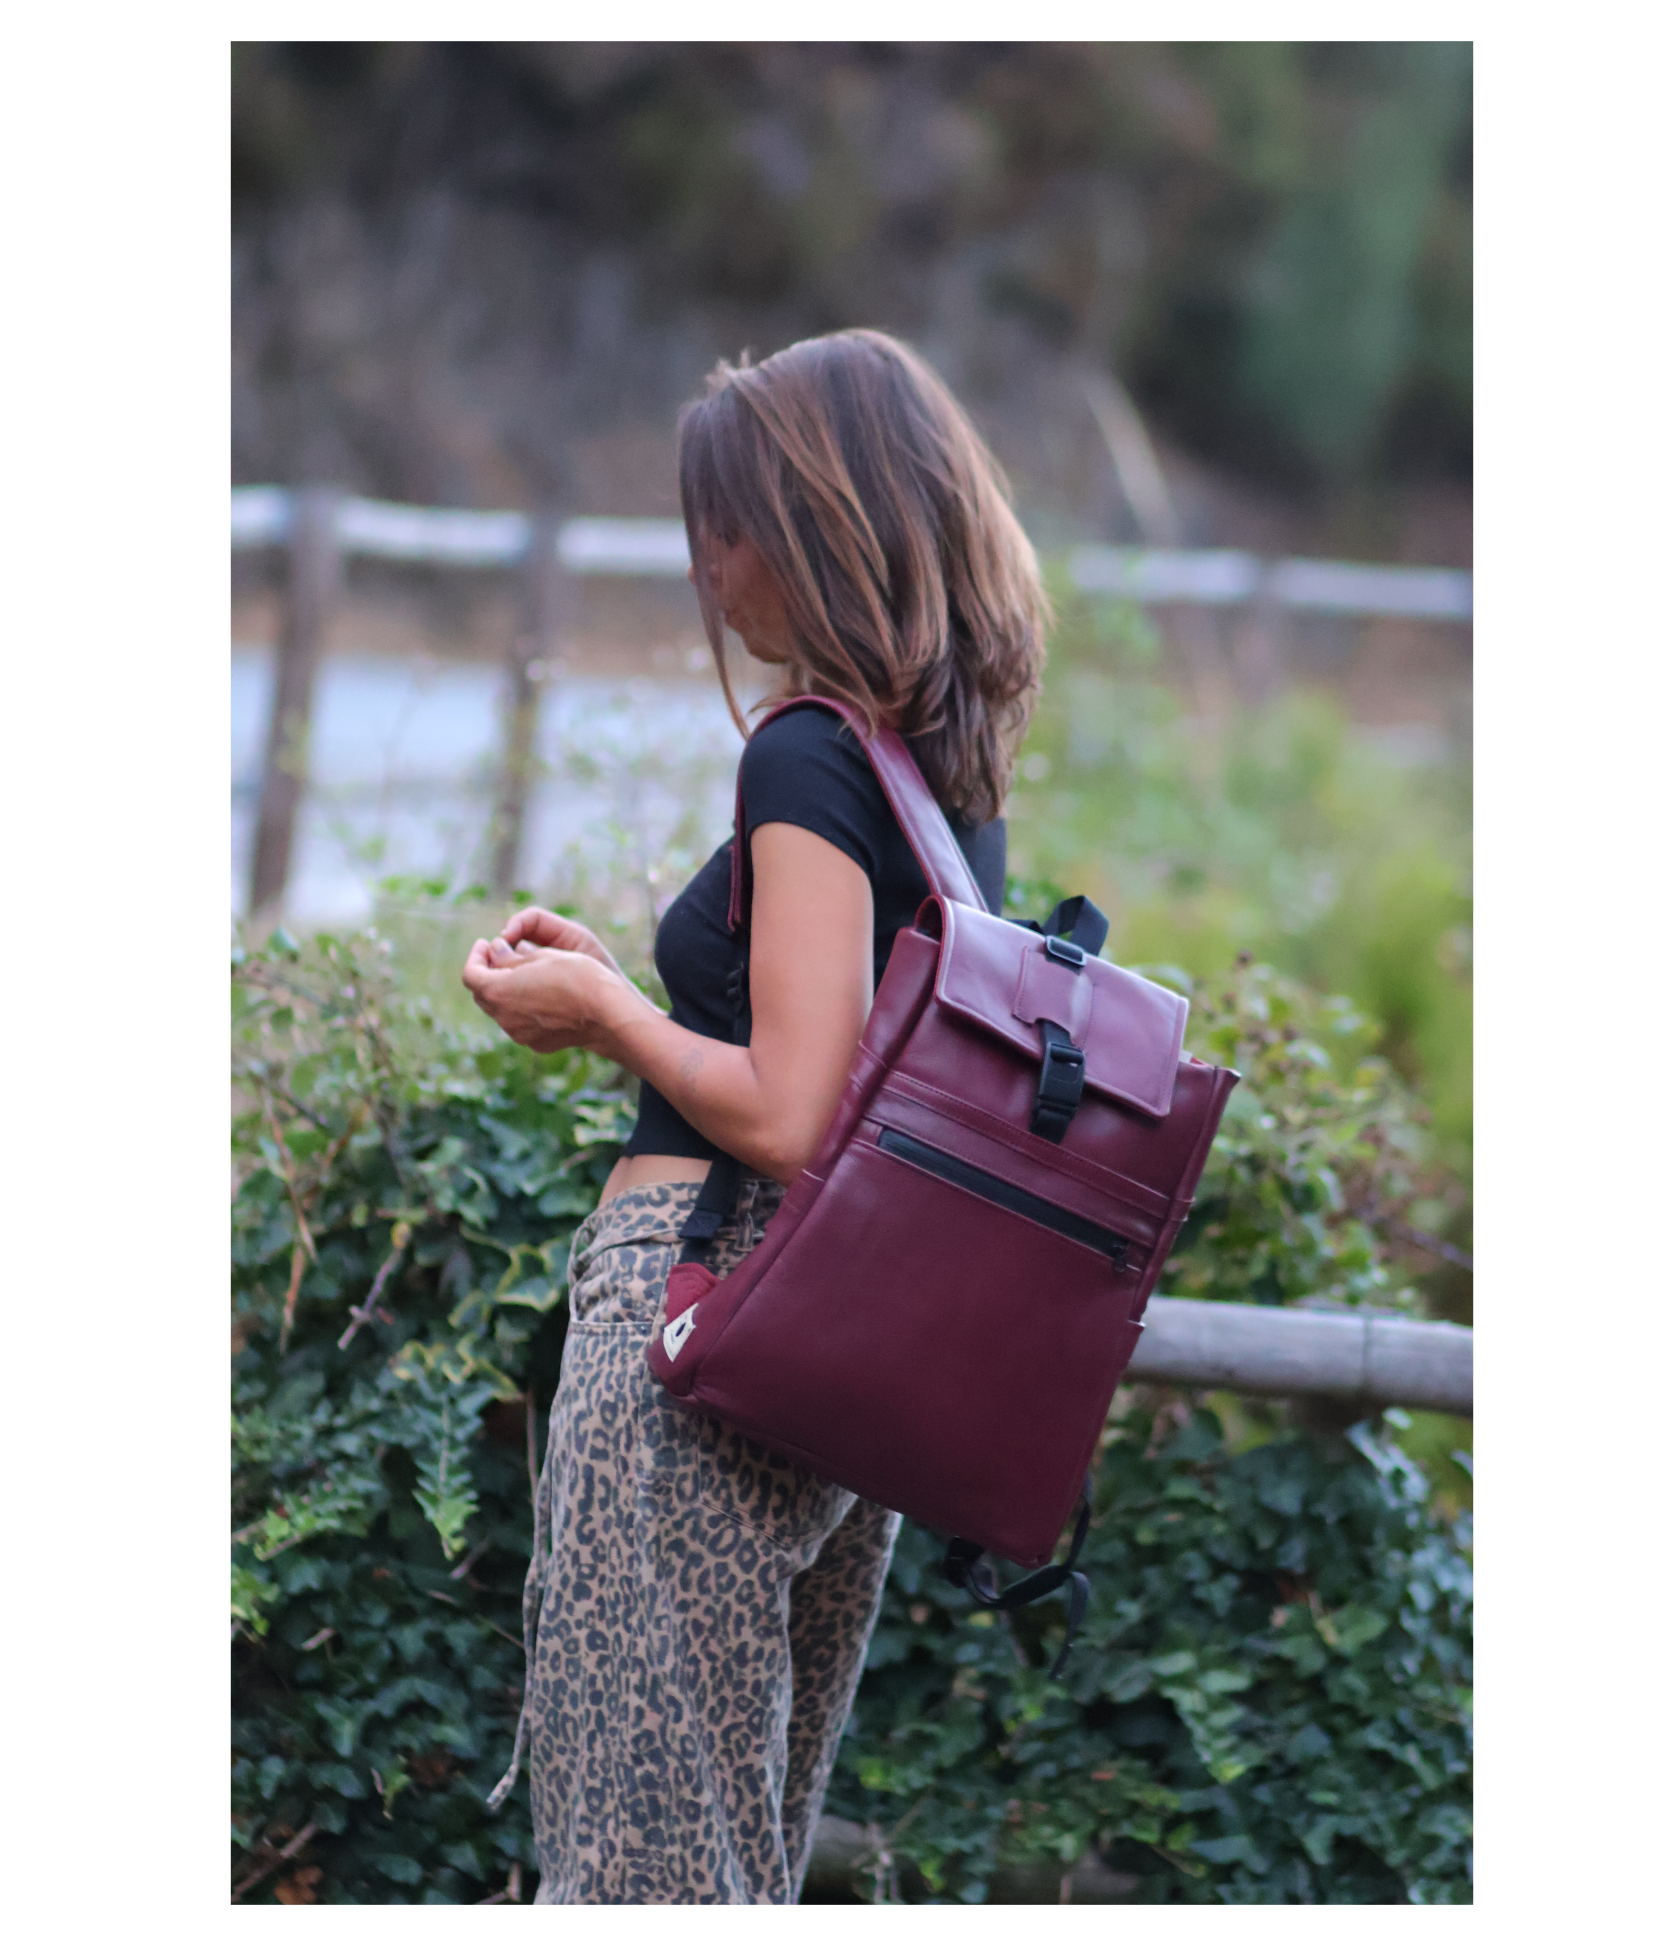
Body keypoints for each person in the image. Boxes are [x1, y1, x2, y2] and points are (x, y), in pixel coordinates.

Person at [460, 328, 1048, 1904]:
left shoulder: (805, 753)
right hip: (836, 1362)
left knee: (641, 1873)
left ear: (813, 528)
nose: (705, 568)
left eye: (723, 527)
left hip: (700, 1326)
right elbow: (837, 1067)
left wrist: (604, 1015)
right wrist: (635, 994)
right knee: (735, 1862)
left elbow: (791, 1110)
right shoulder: (944, 779)